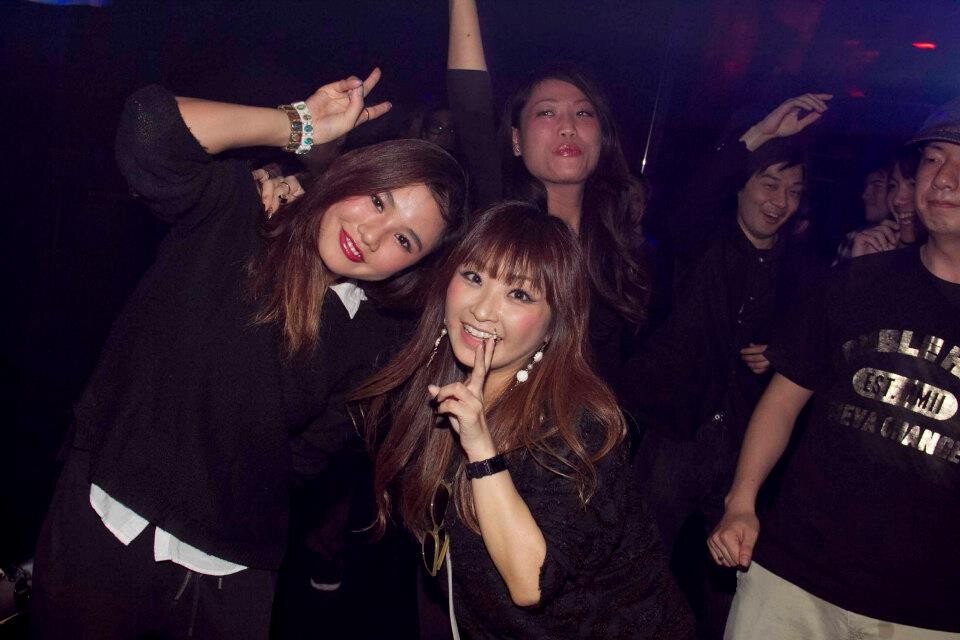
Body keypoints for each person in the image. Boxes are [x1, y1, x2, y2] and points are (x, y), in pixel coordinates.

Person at [30, 69, 467, 640]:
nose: (373, 234)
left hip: (230, 580)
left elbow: (306, 457)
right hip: (101, 521)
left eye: (404, 240)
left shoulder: (372, 341)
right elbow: (148, 126)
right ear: (354, 172)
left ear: (413, 266)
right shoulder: (239, 210)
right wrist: (299, 125)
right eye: (378, 199)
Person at [352, 202, 694, 639]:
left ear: (554, 325)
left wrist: (480, 447)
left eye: (519, 295)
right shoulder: (430, 381)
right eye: (474, 277)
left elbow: (531, 582)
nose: (482, 310)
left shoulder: (576, 425)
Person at [709, 98, 960, 639]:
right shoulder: (857, 281)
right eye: (934, 159)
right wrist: (742, 500)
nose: (944, 178)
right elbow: (783, 399)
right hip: (794, 576)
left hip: (931, 611)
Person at [619, 92, 829, 639]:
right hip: (675, 433)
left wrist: (781, 352)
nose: (780, 202)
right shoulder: (699, 241)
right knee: (639, 565)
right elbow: (687, 202)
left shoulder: (801, 270)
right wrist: (761, 133)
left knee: (735, 582)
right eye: (770, 184)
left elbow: (810, 350)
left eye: (793, 191)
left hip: (742, 444)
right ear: (741, 185)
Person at [447, 0, 649, 383]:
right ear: (516, 140)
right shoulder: (496, 213)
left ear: (602, 138)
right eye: (546, 112)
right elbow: (470, 105)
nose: (568, 126)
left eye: (583, 113)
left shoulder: (616, 243)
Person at [848, 147, 926, 258]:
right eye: (892, 186)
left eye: (914, 184)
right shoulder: (869, 244)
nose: (897, 200)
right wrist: (863, 262)